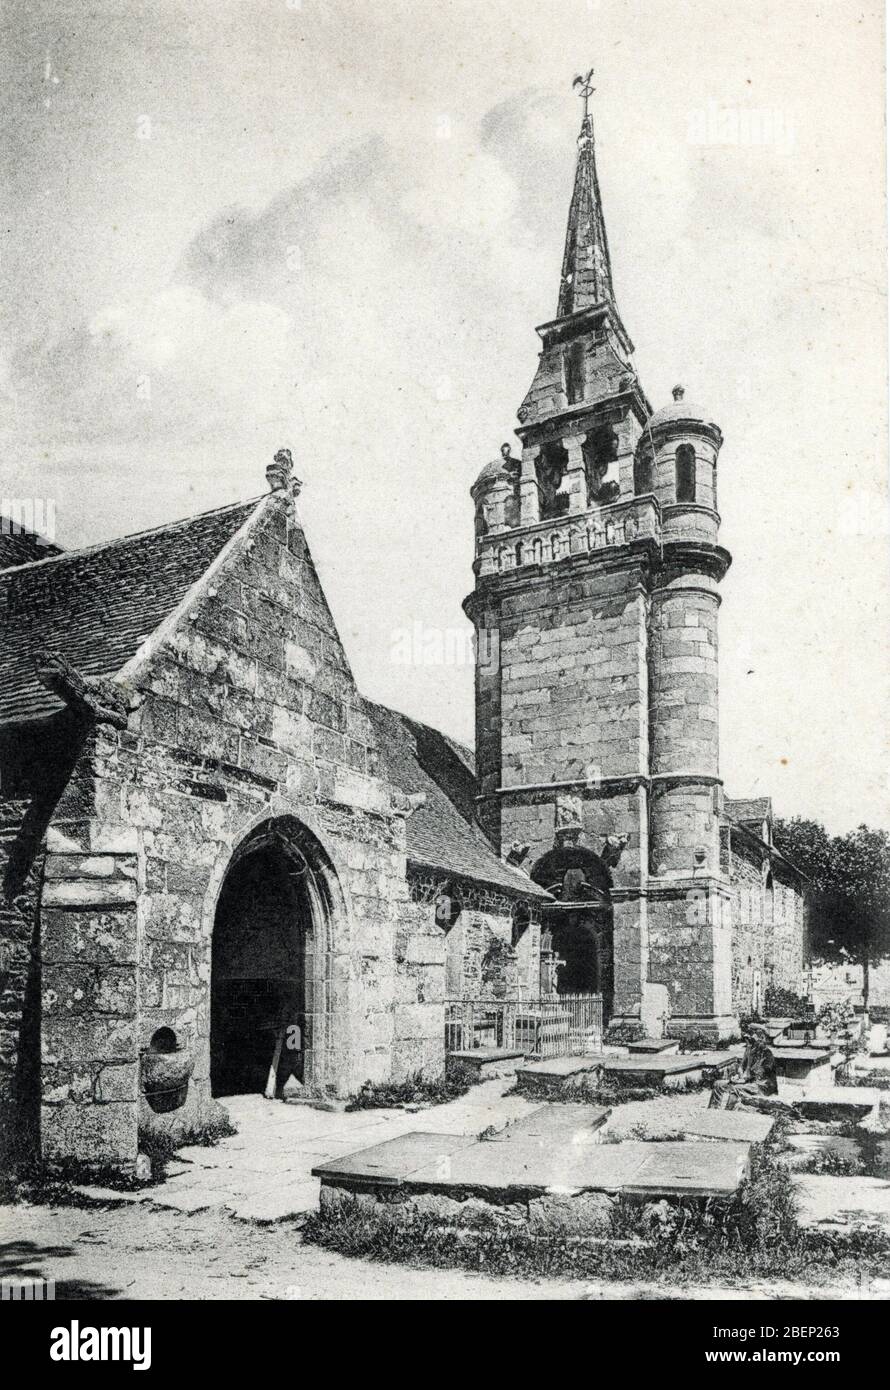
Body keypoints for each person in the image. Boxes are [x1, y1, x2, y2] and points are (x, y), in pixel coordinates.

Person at [709, 1025, 778, 1110]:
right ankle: (712, 1110)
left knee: (735, 1089)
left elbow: (760, 1073)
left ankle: (727, 1112)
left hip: (762, 1086)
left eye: (751, 1040)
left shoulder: (767, 1054)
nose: (748, 1043)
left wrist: (744, 1079)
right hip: (747, 1082)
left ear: (761, 1039)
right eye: (747, 1040)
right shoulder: (749, 1052)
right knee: (718, 1084)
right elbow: (742, 1068)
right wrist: (737, 1076)